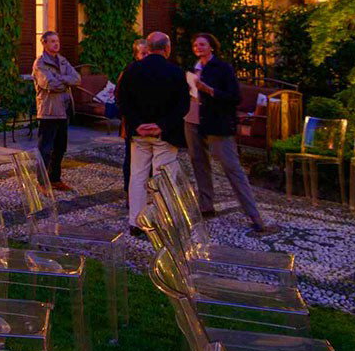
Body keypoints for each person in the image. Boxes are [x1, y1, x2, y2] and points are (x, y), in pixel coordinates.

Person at [185, 32, 274, 235]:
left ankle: (253, 215)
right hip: (192, 120)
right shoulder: (193, 69)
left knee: (231, 167)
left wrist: (209, 90)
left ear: (212, 47)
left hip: (217, 123)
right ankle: (206, 205)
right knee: (198, 163)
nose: (198, 47)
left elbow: (234, 97)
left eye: (202, 44)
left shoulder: (223, 68)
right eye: (196, 44)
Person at [115, 30, 190, 237]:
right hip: (164, 134)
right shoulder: (175, 72)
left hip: (139, 134)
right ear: (167, 48)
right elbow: (183, 105)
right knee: (162, 177)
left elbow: (122, 100)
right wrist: (161, 125)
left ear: (148, 48)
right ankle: (161, 220)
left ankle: (136, 222)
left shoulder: (132, 70)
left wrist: (138, 124)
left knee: (138, 176)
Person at [32, 30, 81, 191]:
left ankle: (55, 179)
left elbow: (77, 79)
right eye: (52, 41)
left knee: (60, 147)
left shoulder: (62, 61)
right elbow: (49, 84)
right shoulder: (40, 64)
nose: (56, 43)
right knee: (45, 149)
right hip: (48, 110)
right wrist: (65, 81)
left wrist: (61, 79)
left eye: (57, 41)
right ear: (44, 43)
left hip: (63, 110)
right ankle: (41, 182)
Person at [116, 38, 149, 206]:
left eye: (148, 53)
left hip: (151, 125)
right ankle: (130, 194)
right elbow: (120, 98)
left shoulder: (154, 71)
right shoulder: (129, 72)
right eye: (143, 53)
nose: (146, 56)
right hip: (133, 125)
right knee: (131, 160)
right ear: (136, 55)